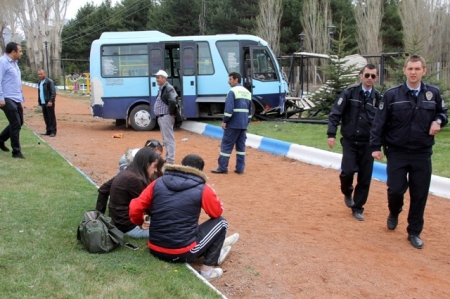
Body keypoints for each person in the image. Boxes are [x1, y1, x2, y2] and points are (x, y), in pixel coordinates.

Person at [370, 55, 448, 249]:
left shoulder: (433, 93)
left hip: (422, 151)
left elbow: (443, 113)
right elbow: (379, 122)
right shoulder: (392, 95)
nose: (413, 72)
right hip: (397, 151)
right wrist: (375, 147)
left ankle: (414, 231)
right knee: (395, 189)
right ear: (405, 70)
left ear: (424, 71)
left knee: (419, 193)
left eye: (417, 69)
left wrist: (438, 121)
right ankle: (394, 211)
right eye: (410, 69)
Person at [129, 154, 240, 281]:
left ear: (181, 166)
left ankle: (215, 250)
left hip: (154, 247)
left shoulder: (158, 182)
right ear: (200, 171)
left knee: (188, 225)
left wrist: (139, 222)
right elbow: (216, 213)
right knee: (221, 223)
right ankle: (207, 272)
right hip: (181, 252)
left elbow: (134, 207)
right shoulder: (203, 188)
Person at [327, 64, 381, 221]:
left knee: (365, 177)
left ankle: (358, 207)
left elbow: (383, 122)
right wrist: (331, 134)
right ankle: (347, 190)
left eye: (373, 76)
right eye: (367, 75)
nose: (369, 78)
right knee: (348, 171)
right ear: (361, 75)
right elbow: (335, 114)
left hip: (368, 144)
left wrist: (382, 143)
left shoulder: (379, 98)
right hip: (350, 141)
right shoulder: (349, 93)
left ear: (376, 78)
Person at [95, 147, 161, 238]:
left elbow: (103, 189)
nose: (155, 170)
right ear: (146, 164)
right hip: (127, 227)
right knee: (167, 231)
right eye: (154, 166)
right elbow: (149, 207)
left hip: (119, 222)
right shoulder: (133, 179)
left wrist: (99, 216)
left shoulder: (127, 172)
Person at [211, 72, 252, 174]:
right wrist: (247, 123)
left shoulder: (232, 91)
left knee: (226, 145)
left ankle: (222, 167)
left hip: (233, 124)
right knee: (241, 148)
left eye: (230, 79)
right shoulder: (247, 92)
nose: (228, 81)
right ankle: (240, 168)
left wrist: (225, 121)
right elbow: (250, 112)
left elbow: (229, 109)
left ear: (236, 80)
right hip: (243, 124)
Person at [0, 42, 25, 159]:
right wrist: (1, 98)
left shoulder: (15, 63)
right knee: (15, 123)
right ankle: (16, 152)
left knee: (19, 122)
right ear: (13, 52)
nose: (21, 53)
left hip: (16, 97)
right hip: (6, 97)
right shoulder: (3, 62)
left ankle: (0, 139)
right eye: (20, 51)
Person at [153, 70, 178, 164]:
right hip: (162, 117)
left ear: (164, 78)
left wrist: (171, 113)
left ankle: (170, 160)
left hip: (166, 117)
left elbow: (173, 101)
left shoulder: (168, 88)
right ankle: (168, 158)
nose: (157, 80)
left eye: (158, 77)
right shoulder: (163, 88)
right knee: (166, 140)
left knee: (169, 140)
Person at [37, 69, 57, 137]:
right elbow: (39, 92)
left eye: (41, 74)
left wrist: (51, 100)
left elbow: (53, 92)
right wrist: (39, 102)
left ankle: (53, 131)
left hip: (49, 102)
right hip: (43, 102)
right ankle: (48, 130)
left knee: (51, 117)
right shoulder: (40, 82)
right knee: (46, 117)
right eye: (39, 74)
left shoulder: (49, 81)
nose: (40, 76)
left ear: (45, 74)